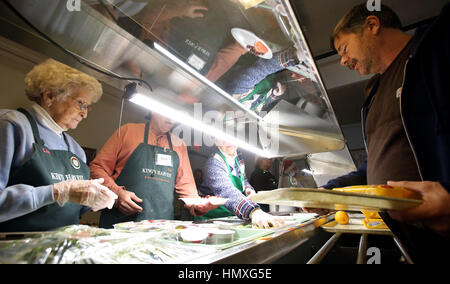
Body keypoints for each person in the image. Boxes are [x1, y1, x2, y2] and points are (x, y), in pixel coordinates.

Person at [322, 2, 450, 262]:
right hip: (415, 239)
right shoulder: (374, 97)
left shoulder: (431, 52)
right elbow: (371, 168)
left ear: (372, 25)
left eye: (344, 49)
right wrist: (327, 192)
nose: (343, 60)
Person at [0, 58, 117, 232]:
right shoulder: (12, 126)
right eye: (81, 104)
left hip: (61, 251)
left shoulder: (75, 149)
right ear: (50, 96)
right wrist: (55, 192)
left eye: (87, 107)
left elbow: (68, 208)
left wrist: (93, 199)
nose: (84, 114)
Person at [89, 112, 221, 228]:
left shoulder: (179, 144)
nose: (171, 119)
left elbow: (186, 186)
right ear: (153, 109)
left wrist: (198, 205)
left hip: (161, 226)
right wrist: (117, 193)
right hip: (120, 224)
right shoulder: (127, 131)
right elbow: (96, 168)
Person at [197, 140, 284, 229]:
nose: (228, 141)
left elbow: (243, 179)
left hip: (231, 217)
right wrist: (254, 212)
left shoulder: (238, 156)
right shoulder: (213, 164)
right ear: (216, 141)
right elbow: (228, 193)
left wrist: (248, 189)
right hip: (211, 221)